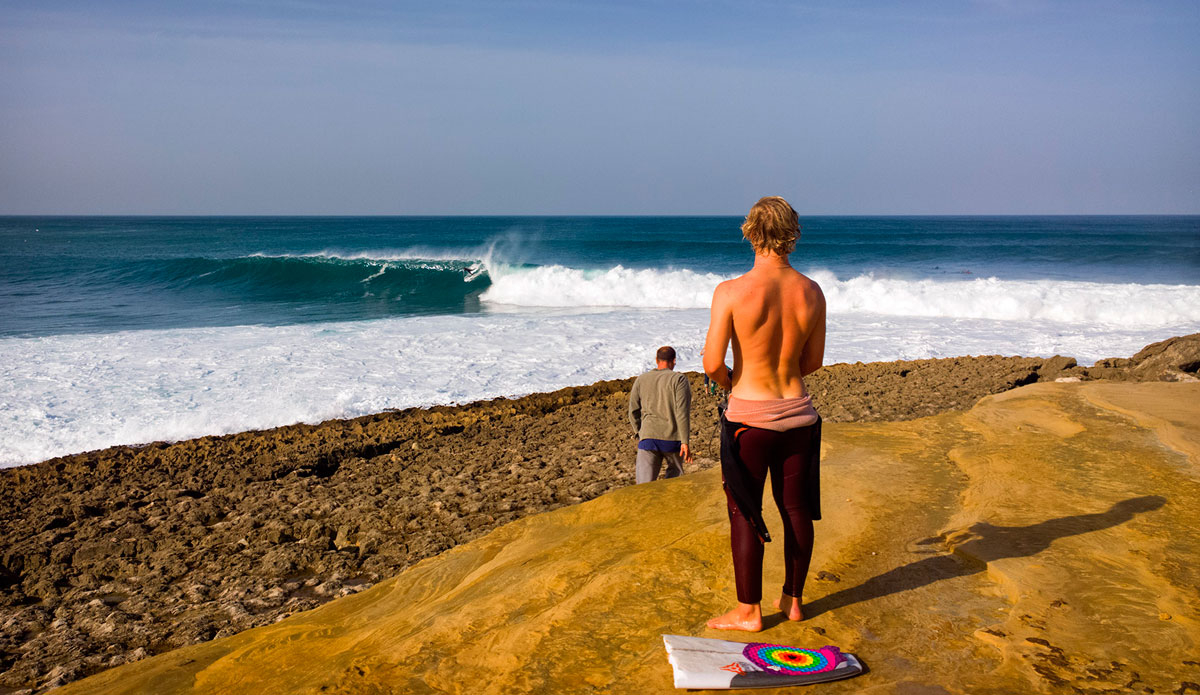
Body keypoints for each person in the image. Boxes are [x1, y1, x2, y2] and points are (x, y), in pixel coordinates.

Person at [702, 196, 826, 631]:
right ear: (793, 232)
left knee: (745, 511)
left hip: (748, 420)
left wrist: (734, 380)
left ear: (749, 231)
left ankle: (748, 612)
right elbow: (813, 361)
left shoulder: (731, 292)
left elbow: (712, 363)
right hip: (799, 415)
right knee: (795, 509)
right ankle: (793, 601)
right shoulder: (812, 291)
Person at [628, 346, 694, 484]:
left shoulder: (641, 379)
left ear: (656, 360)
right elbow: (682, 413)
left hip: (648, 438)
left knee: (643, 488)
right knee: (672, 485)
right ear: (674, 361)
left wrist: (639, 433)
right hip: (673, 439)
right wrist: (685, 442)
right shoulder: (679, 380)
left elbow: (633, 410)